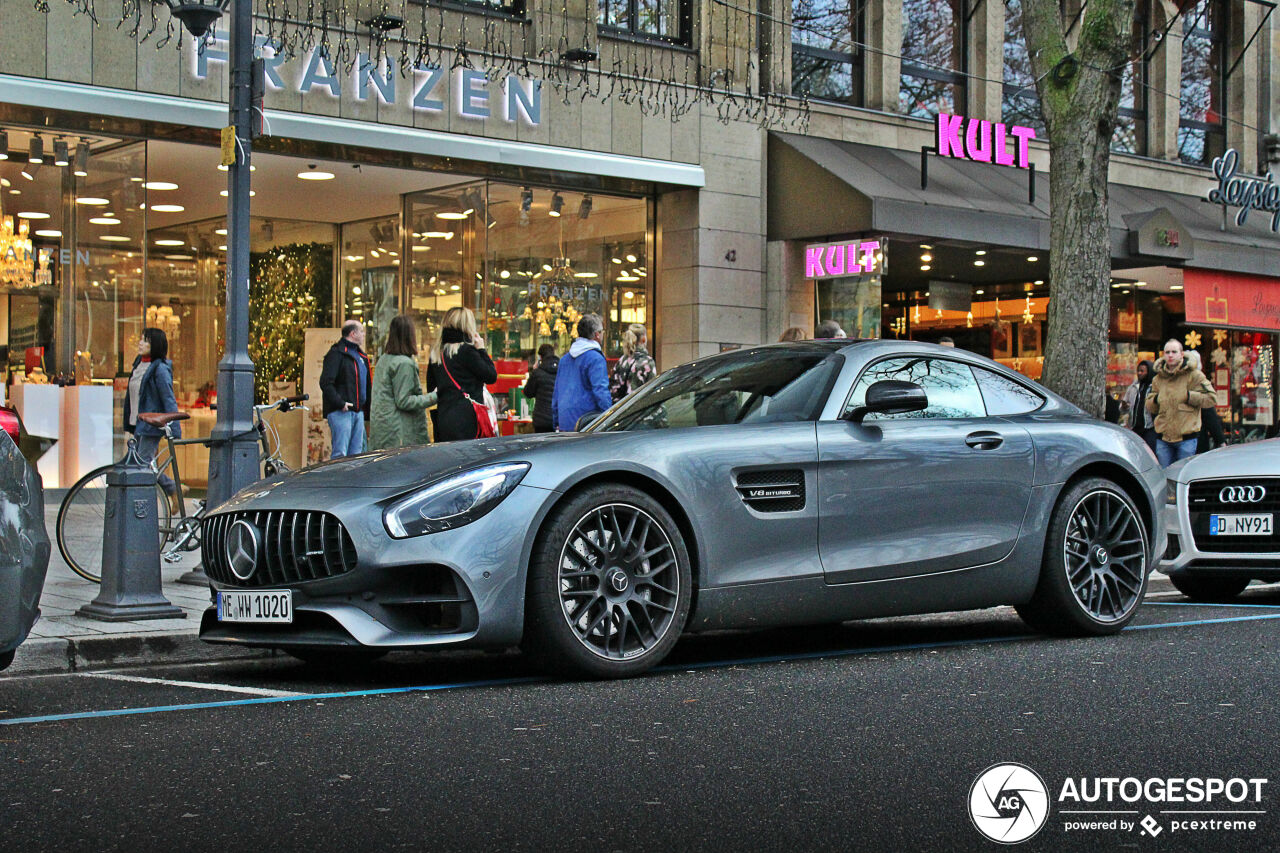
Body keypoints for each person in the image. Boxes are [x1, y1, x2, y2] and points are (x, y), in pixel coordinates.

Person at [122, 327, 180, 508]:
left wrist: (175, 427)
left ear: (155, 345)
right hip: (138, 423)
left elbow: (168, 398)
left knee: (141, 465)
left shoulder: (160, 369)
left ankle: (165, 492)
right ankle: (173, 489)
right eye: (141, 339)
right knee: (140, 463)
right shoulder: (138, 365)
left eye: (145, 340)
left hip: (150, 425)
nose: (140, 343)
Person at [426, 306, 497, 442]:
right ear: (467, 325)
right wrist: (482, 350)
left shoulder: (437, 354)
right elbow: (491, 376)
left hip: (444, 419)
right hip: (468, 420)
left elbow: (431, 387)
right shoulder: (467, 351)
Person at [368, 315, 437, 450]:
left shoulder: (383, 359)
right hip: (400, 433)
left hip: (383, 430)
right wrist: (434, 396)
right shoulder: (404, 364)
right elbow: (404, 401)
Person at [1146, 339, 1215, 467]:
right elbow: (1150, 406)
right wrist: (1156, 400)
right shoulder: (1158, 378)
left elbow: (1211, 398)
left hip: (1186, 439)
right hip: (1163, 438)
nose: (1170, 355)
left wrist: (1189, 396)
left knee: (1182, 477)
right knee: (1165, 477)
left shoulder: (1194, 375)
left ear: (1181, 354)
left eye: (1174, 352)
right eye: (1167, 352)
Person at [319, 319, 372, 459]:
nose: (364, 334)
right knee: (340, 454)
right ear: (353, 333)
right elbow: (326, 382)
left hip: (357, 412)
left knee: (356, 454)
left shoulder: (361, 357)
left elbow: (366, 386)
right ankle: (339, 480)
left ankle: (353, 481)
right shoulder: (336, 354)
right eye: (361, 331)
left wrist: (365, 411)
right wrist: (340, 403)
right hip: (342, 412)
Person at [552, 313, 612, 431]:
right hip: (587, 423)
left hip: (565, 422)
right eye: (602, 332)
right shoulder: (595, 358)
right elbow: (601, 391)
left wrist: (556, 422)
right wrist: (609, 418)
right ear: (597, 335)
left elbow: (557, 394)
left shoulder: (564, 360)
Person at [1185, 350, 1226, 453]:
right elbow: (1209, 415)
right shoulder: (1199, 384)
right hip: (1195, 438)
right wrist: (1220, 440)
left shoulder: (1173, 382)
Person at [611, 323, 657, 402]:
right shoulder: (647, 362)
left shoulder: (622, 360)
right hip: (638, 410)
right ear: (643, 339)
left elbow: (613, 388)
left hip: (620, 409)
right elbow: (652, 391)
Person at [1121, 359, 1157, 451]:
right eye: (1138, 370)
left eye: (1142, 371)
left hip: (1150, 428)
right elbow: (1123, 408)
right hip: (1135, 428)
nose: (1139, 373)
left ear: (1149, 372)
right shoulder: (1133, 387)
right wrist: (1124, 406)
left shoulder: (1154, 387)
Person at [523, 343, 559, 433]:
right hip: (558, 417)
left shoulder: (538, 373)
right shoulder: (562, 369)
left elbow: (528, 392)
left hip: (541, 420)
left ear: (540, 357)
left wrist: (534, 371)